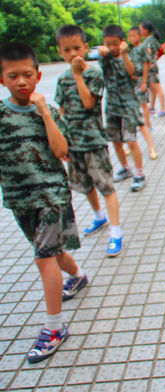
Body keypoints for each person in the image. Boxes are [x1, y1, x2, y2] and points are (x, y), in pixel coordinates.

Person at [0, 42, 88, 363]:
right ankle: (78, 276)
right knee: (52, 253)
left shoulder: (47, 110)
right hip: (19, 199)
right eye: (13, 76)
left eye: (27, 75)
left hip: (50, 194)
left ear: (38, 76)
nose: (21, 82)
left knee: (43, 258)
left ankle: (54, 328)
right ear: (2, 79)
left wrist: (43, 113)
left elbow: (61, 149)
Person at [54, 25, 126, 257]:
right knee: (84, 185)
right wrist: (63, 140)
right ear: (60, 52)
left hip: (94, 142)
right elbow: (62, 111)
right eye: (67, 50)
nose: (73, 53)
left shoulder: (93, 74)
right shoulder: (62, 78)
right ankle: (98, 217)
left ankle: (116, 233)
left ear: (85, 48)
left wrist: (77, 75)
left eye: (77, 47)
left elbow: (88, 103)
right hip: (74, 145)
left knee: (105, 186)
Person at [98, 25, 147, 196]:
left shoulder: (130, 55)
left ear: (122, 42)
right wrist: (102, 51)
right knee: (116, 141)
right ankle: (125, 169)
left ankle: (140, 174)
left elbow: (132, 71)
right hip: (111, 106)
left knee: (131, 141)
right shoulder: (104, 58)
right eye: (108, 44)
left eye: (115, 44)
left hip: (128, 105)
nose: (111, 47)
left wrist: (124, 53)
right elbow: (103, 61)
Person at [127, 26, 158, 160]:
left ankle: (148, 124)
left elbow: (146, 64)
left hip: (140, 82)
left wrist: (144, 82)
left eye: (134, 35)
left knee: (144, 105)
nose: (131, 38)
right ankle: (130, 146)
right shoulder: (132, 50)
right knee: (135, 111)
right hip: (132, 84)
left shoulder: (142, 48)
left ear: (140, 36)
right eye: (130, 36)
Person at [139, 21, 165, 117]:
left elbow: (148, 52)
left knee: (157, 88)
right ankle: (152, 107)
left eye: (140, 29)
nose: (140, 31)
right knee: (152, 88)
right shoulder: (153, 39)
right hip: (152, 66)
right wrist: (155, 60)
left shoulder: (148, 40)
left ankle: (163, 109)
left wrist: (149, 63)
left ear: (145, 30)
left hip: (150, 68)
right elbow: (161, 50)